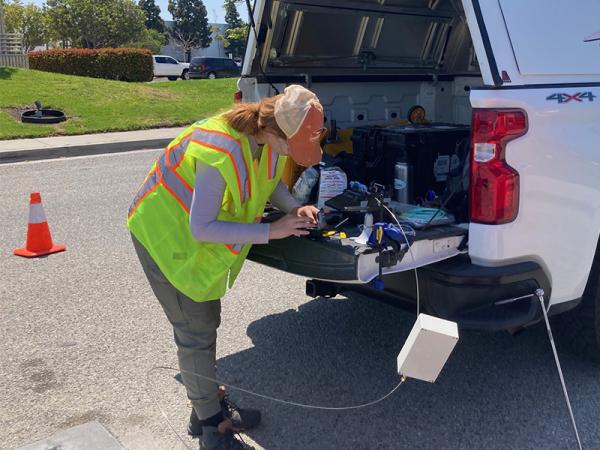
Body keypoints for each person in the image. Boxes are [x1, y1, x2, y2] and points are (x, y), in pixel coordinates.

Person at [128, 85, 325, 449]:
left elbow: (268, 185)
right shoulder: (220, 151)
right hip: (163, 236)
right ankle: (212, 428)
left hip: (193, 241)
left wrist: (293, 207)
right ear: (275, 131)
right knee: (196, 331)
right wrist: (273, 229)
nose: (291, 155)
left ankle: (202, 406)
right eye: (291, 147)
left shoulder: (267, 139)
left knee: (204, 322)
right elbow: (201, 227)